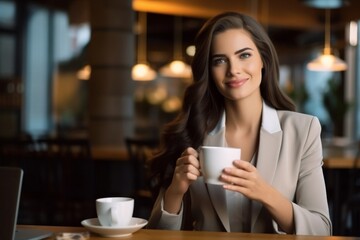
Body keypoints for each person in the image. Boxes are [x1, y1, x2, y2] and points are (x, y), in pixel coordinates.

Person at [147, 11, 331, 235]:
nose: (233, 70)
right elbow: (157, 234)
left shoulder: (303, 131)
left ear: (263, 59)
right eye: (220, 60)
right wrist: (176, 190)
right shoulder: (193, 133)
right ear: (209, 71)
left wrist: (265, 193)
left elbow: (321, 230)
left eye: (244, 55)